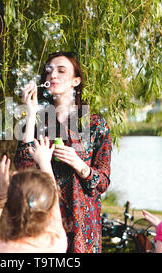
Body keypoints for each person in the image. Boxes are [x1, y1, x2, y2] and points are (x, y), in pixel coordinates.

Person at [14, 51, 112, 253]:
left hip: (82, 225)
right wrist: (31, 114)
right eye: (49, 71)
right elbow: (23, 166)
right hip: (43, 218)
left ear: (76, 81)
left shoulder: (95, 124)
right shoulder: (38, 122)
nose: (53, 75)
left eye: (61, 70)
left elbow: (102, 183)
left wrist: (80, 164)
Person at [0, 137, 67, 253]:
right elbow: (54, 203)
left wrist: (2, 196)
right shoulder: (56, 243)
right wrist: (45, 163)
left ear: (9, 209)